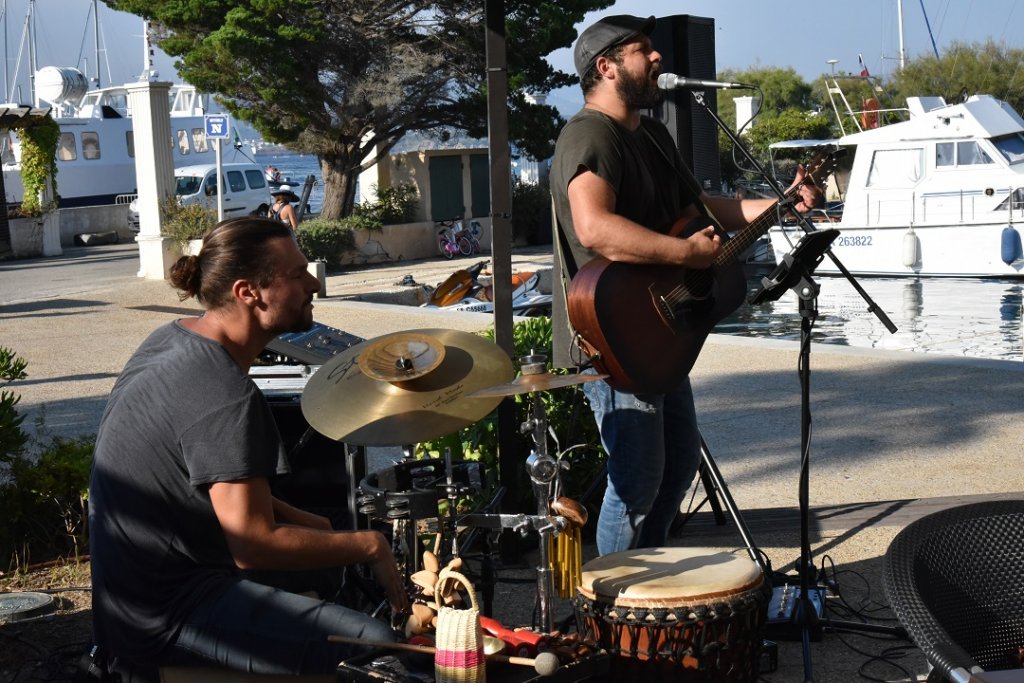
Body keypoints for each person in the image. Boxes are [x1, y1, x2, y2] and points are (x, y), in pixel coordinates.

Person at [88, 217, 408, 680]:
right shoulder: (224, 392)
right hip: (166, 617)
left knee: (319, 568)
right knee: (371, 646)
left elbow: (205, 482)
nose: (313, 283)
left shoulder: (172, 338)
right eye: (297, 274)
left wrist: (310, 524)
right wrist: (368, 545)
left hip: (132, 601)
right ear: (249, 292)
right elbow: (252, 544)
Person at [550, 15, 822, 556]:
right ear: (605, 67)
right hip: (614, 335)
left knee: (675, 471)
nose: (657, 59)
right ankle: (613, 604)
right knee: (635, 485)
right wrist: (684, 252)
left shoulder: (650, 134)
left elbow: (701, 208)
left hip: (662, 325)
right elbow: (594, 227)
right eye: (642, 50)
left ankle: (647, 589)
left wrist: (782, 205)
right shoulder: (589, 135)